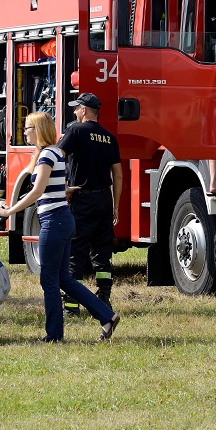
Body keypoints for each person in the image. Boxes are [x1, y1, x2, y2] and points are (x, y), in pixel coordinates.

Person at [0, 112, 120, 343]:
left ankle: (54, 335)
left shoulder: (46, 155)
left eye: (28, 127)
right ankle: (106, 316)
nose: (24, 132)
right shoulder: (54, 153)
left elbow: (37, 191)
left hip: (54, 221)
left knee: (49, 280)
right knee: (63, 278)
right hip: (62, 219)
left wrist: (9, 211)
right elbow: (57, 187)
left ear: (38, 129)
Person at [57, 93, 122, 311]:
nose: (74, 112)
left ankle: (72, 304)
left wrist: (61, 188)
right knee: (102, 252)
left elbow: (56, 157)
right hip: (104, 199)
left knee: (76, 251)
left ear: (84, 110)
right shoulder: (110, 137)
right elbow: (118, 175)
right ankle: (103, 297)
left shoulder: (75, 130)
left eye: (76, 109)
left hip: (81, 199)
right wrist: (115, 205)